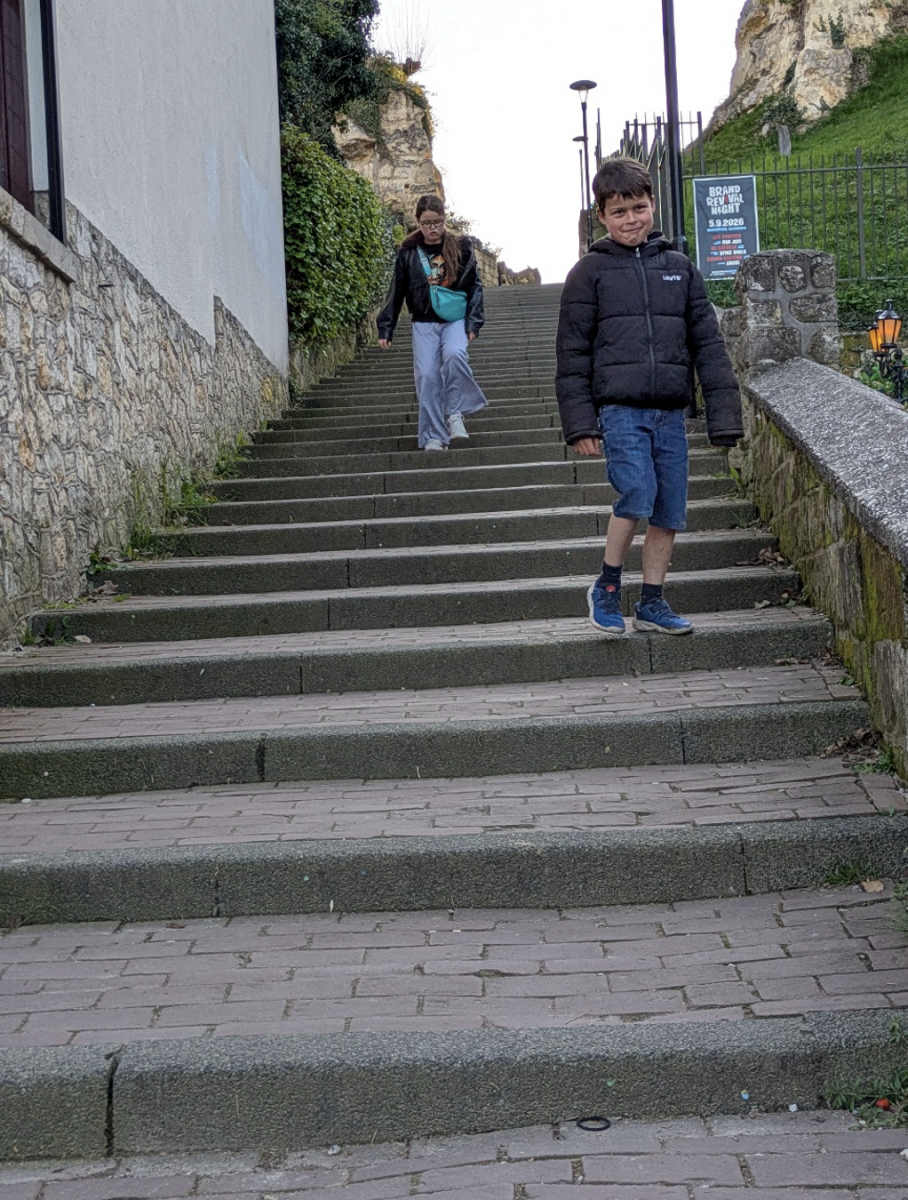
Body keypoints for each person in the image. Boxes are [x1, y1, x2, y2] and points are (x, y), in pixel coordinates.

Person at [555, 157, 743, 637]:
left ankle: (653, 601)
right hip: (619, 411)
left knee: (670, 509)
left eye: (639, 208)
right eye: (619, 213)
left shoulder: (680, 270)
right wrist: (580, 423)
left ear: (653, 205)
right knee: (637, 493)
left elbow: (709, 347)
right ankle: (608, 586)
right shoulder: (588, 274)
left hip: (670, 415)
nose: (631, 219)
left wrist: (724, 416)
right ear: (602, 216)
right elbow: (572, 354)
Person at [378, 195, 487, 451]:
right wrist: (386, 327)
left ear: (444, 219)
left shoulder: (461, 247)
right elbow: (397, 291)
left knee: (455, 354)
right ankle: (433, 436)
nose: (433, 228)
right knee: (427, 376)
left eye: (437, 222)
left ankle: (455, 413)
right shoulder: (408, 253)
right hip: (423, 322)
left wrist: (474, 322)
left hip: (455, 318)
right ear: (418, 222)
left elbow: (475, 287)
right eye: (427, 223)